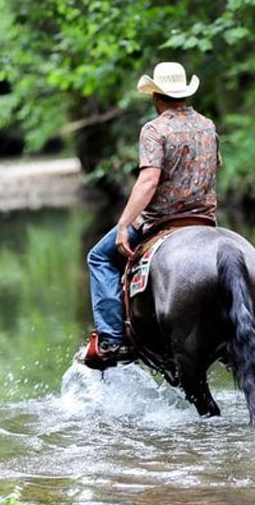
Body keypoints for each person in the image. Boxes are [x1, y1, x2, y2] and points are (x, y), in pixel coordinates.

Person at [82, 61, 222, 369]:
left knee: (99, 258)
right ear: (184, 94)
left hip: (162, 220)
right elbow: (215, 168)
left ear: (156, 95)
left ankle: (112, 341)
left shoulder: (155, 129)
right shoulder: (208, 125)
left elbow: (148, 180)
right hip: (205, 221)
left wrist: (122, 225)